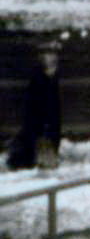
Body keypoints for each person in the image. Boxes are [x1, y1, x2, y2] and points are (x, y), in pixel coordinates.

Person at [7, 43, 63, 172]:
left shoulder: (50, 77)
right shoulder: (40, 78)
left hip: (46, 125)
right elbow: (36, 106)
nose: (53, 58)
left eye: (54, 55)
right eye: (49, 55)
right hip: (42, 126)